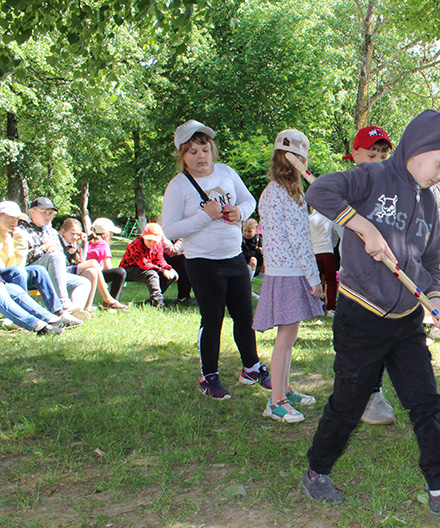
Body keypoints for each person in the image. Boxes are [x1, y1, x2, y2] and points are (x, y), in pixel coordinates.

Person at [301, 109, 440, 518]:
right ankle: (317, 471)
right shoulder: (372, 176)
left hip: (406, 321)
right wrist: (363, 226)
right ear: (417, 149)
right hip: (361, 315)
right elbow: (320, 192)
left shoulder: (430, 202)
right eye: (439, 163)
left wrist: (437, 300)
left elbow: (429, 261)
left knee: (426, 402)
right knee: (349, 403)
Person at [160, 119, 270, 400]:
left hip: (234, 258)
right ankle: (209, 377)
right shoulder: (178, 186)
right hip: (203, 263)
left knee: (244, 316)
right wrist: (203, 216)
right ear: (182, 155)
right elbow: (169, 229)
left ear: (213, 150)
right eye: (193, 151)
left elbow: (249, 201)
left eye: (205, 149)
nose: (201, 156)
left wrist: (240, 213)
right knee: (213, 320)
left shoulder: (226, 172)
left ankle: (251, 368)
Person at [253, 130, 326, 423]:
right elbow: (299, 241)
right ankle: (276, 401)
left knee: (289, 335)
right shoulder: (288, 194)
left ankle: (284, 389)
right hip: (288, 273)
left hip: (282, 271)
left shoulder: (273, 191)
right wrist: (314, 278)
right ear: (301, 162)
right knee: (285, 338)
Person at [334, 124, 397, 426]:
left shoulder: (392, 188)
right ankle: (353, 394)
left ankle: (373, 392)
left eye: (383, 156)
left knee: (381, 338)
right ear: (355, 154)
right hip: (356, 282)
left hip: (385, 281)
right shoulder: (350, 185)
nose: (378, 162)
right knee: (353, 341)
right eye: (371, 155)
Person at [0, 201, 71, 334]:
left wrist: (19, 240)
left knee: (37, 271)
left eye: (17, 218)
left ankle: (55, 314)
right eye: (11, 217)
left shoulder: (9, 238)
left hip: (7, 276)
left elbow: (16, 264)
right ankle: (39, 324)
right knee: (17, 274)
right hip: (5, 277)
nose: (15, 221)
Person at [19, 197, 93, 318]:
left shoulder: (51, 232)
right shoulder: (22, 230)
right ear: (32, 212)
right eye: (43, 212)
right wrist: (43, 248)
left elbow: (61, 259)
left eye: (50, 213)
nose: (48, 216)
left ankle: (73, 313)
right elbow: (20, 259)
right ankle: (63, 304)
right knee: (54, 256)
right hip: (29, 274)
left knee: (83, 282)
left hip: (51, 274)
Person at [58, 217, 127, 312]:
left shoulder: (74, 243)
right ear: (63, 232)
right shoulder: (58, 242)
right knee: (94, 263)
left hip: (73, 271)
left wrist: (84, 242)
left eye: (77, 234)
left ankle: (88, 308)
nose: (75, 237)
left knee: (92, 271)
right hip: (60, 272)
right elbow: (107, 266)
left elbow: (81, 260)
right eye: (72, 233)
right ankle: (107, 298)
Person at [120, 223, 177, 307]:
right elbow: (143, 263)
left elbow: (159, 259)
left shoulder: (158, 245)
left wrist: (169, 268)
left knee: (169, 276)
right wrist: (162, 270)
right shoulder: (136, 244)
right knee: (151, 274)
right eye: (149, 240)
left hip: (147, 267)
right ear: (143, 237)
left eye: (154, 241)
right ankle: (157, 301)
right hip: (129, 269)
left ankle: (152, 299)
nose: (151, 243)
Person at [85, 218, 129, 309]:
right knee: (120, 273)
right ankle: (111, 302)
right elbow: (107, 267)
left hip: (83, 271)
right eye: (111, 233)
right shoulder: (103, 244)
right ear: (105, 234)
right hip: (94, 273)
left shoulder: (88, 241)